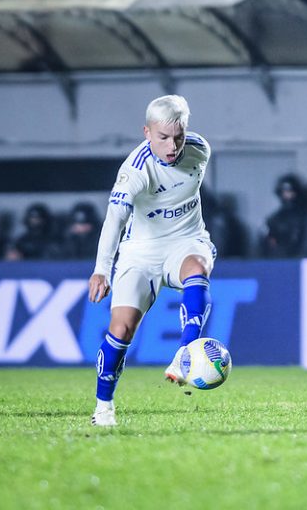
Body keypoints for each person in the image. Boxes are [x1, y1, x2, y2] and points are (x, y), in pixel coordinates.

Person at [87, 95, 215, 427]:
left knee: (196, 269)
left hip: (186, 240)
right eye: (162, 138)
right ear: (147, 132)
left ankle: (185, 354)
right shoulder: (134, 172)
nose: (172, 146)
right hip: (140, 251)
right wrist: (102, 269)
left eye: (178, 136)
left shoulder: (200, 149)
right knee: (121, 328)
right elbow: (113, 221)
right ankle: (103, 407)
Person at [261, 173, 307, 258]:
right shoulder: (274, 220)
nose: (287, 196)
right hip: (279, 263)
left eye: (290, 192)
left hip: (306, 263)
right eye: (284, 192)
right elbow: (267, 246)